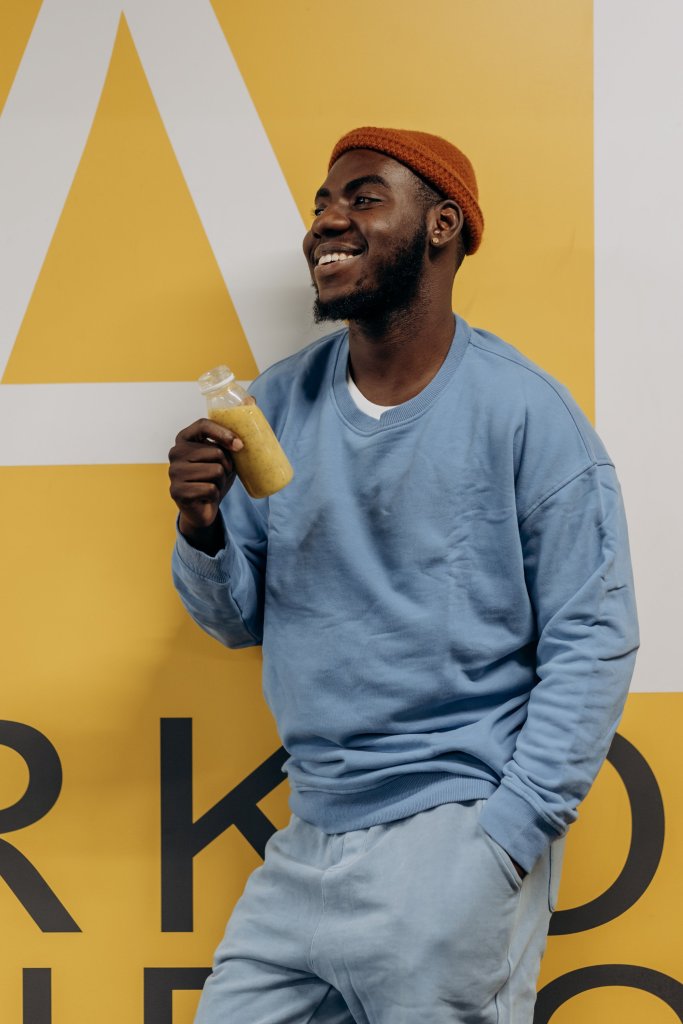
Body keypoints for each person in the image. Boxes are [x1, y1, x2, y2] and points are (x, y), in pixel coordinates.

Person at [169, 127, 639, 1024]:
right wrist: (200, 526)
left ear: (442, 226)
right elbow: (233, 620)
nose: (326, 222)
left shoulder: (524, 412)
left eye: (362, 198)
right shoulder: (276, 403)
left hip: (452, 833)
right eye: (321, 204)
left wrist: (506, 838)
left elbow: (594, 636)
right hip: (309, 834)